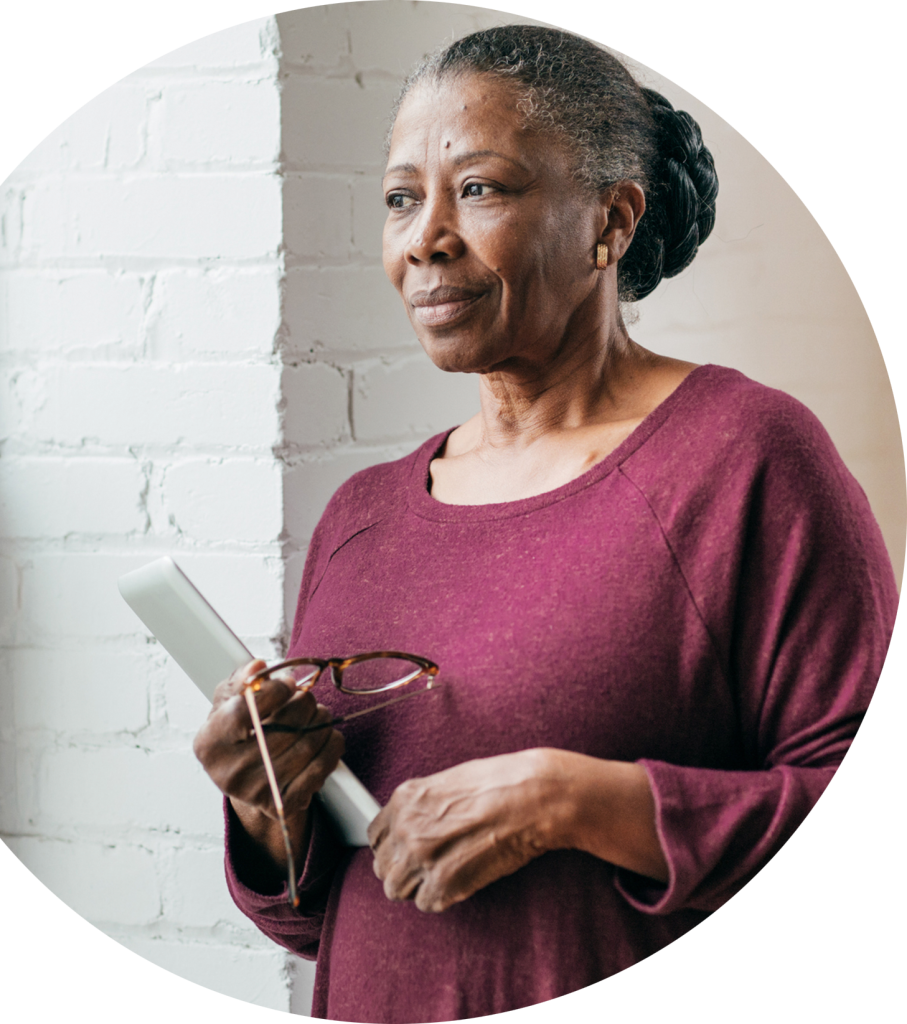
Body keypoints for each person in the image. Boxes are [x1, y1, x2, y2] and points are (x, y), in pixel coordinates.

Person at [193, 26, 897, 1022]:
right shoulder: (361, 517)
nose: (425, 237)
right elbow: (332, 914)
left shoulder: (747, 457)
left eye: (478, 188)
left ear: (609, 223)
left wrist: (573, 801)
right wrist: (268, 806)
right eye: (401, 198)